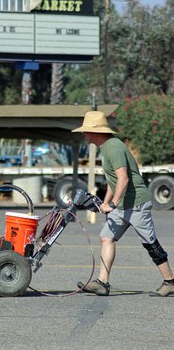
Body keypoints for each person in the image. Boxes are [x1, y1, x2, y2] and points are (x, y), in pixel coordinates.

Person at [72, 110, 174, 297]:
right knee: (106, 237)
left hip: (136, 203)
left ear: (96, 132)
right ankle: (102, 283)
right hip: (123, 204)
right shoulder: (107, 147)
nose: (84, 134)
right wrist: (106, 202)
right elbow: (114, 181)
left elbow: (123, 179)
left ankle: (170, 282)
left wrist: (113, 203)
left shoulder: (113, 147)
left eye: (86, 131)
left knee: (150, 243)